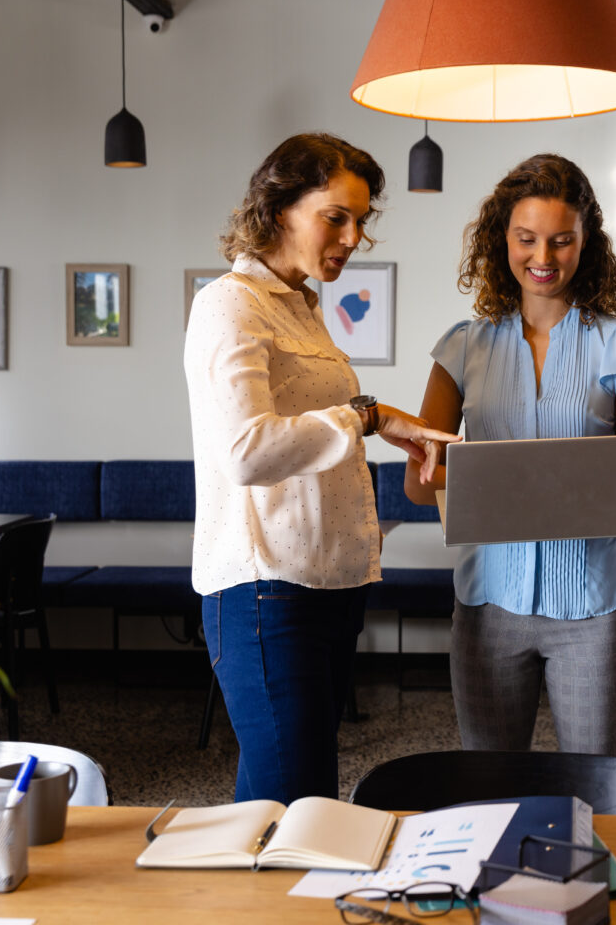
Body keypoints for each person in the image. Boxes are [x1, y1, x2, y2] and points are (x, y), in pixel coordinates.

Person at [184, 132, 459, 804]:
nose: (352, 235)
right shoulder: (230, 303)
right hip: (263, 588)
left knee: (287, 799)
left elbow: (316, 419)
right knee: (297, 800)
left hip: (326, 580)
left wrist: (380, 416)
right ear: (281, 210)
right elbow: (249, 451)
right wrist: (365, 418)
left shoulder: (301, 307)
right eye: (336, 215)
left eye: (361, 220)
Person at [404, 154, 616, 756]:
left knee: (597, 790)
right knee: (489, 793)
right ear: (502, 241)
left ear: (586, 243)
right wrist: (460, 470)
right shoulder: (461, 348)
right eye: (526, 239)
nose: (543, 258)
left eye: (561, 241)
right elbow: (419, 488)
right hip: (488, 605)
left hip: (594, 609)